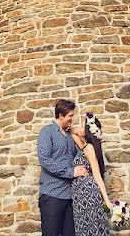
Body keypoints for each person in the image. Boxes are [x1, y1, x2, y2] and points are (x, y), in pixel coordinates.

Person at [37, 99, 89, 236]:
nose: (72, 119)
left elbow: (84, 153)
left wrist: (82, 135)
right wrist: (71, 172)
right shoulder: (47, 132)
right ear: (61, 116)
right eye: (70, 116)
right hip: (52, 195)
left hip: (70, 197)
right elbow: (45, 160)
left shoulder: (70, 136)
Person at [70, 113, 112, 236]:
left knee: (89, 229)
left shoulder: (89, 147)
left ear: (88, 130)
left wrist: (107, 201)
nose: (79, 128)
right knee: (84, 228)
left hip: (87, 194)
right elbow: (71, 132)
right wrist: (84, 125)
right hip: (80, 195)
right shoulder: (85, 146)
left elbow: (97, 175)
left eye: (82, 126)